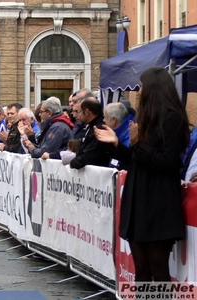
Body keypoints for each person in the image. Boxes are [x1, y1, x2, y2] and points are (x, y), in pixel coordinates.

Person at [94, 67, 190, 282]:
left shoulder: (172, 119)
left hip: (158, 200)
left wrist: (138, 145)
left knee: (158, 267)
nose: (139, 90)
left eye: (142, 85)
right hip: (139, 199)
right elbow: (136, 159)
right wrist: (118, 143)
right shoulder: (145, 118)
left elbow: (167, 162)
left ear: (154, 89)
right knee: (141, 269)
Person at [69, 97, 110, 169]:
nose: (78, 115)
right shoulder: (91, 126)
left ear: (86, 112)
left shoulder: (99, 129)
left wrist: (73, 163)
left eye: (79, 111)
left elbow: (90, 155)